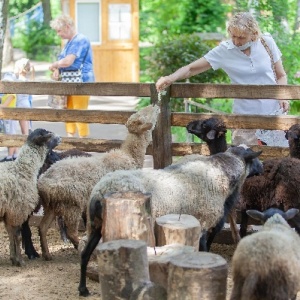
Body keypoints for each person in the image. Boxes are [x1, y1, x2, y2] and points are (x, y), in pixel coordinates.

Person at [156, 12, 290, 146]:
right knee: (244, 162)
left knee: (276, 161)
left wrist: (283, 97)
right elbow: (192, 68)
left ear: (253, 33)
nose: (237, 41)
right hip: (246, 119)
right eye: (233, 36)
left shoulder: (266, 42)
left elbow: (281, 75)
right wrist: (170, 78)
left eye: (242, 37)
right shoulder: (224, 51)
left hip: (274, 116)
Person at [49, 15, 95, 138]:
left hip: (81, 82)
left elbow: (68, 61)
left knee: (79, 112)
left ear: (67, 27)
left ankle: (83, 143)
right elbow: (63, 63)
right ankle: (71, 141)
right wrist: (57, 69)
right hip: (69, 81)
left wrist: (55, 64)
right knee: (68, 111)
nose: (58, 34)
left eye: (59, 30)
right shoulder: (69, 43)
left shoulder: (80, 40)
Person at [13, 58, 35, 135]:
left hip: (21, 105)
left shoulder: (18, 81)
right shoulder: (27, 80)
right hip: (27, 104)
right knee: (27, 128)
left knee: (24, 131)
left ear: (19, 69)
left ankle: (26, 145)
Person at [0, 73, 18, 162]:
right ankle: (14, 155)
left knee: (11, 135)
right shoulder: (5, 93)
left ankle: (10, 156)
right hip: (6, 118)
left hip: (10, 117)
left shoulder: (11, 94)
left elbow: (4, 105)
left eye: (8, 83)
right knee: (9, 133)